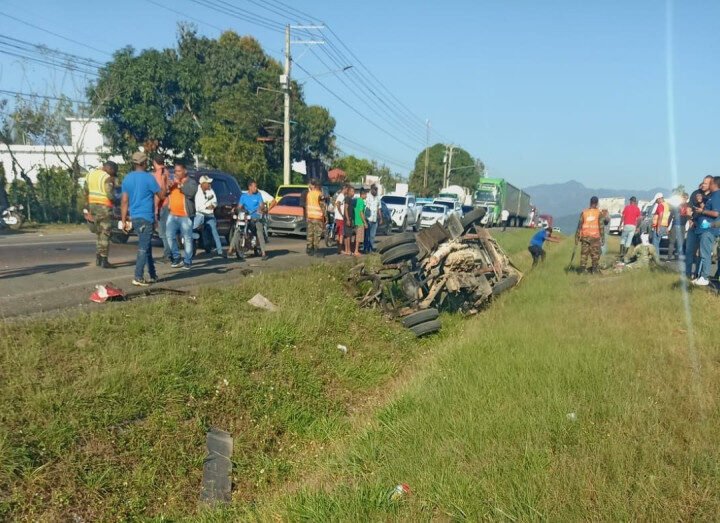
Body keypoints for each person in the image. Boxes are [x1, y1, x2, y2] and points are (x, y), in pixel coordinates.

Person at [121, 152, 163, 286]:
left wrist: (123, 219)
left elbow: (124, 201)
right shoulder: (149, 178)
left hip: (135, 217)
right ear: (144, 163)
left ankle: (152, 274)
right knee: (143, 248)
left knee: (147, 245)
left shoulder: (127, 178)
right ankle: (138, 276)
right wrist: (166, 183)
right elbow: (161, 195)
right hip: (146, 217)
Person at [84, 161, 118, 268]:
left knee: (98, 233)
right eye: (114, 172)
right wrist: (116, 201)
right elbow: (109, 194)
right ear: (110, 169)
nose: (113, 175)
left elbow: (85, 191)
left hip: (92, 207)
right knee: (105, 234)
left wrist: (86, 208)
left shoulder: (90, 175)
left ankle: (98, 258)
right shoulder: (107, 177)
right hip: (104, 208)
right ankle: (104, 259)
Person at [165, 160, 198, 270]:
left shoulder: (191, 182)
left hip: (185, 215)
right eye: (175, 171)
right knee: (169, 236)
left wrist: (179, 185)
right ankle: (176, 257)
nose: (176, 173)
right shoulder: (172, 182)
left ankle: (187, 261)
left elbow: (191, 193)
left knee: (187, 238)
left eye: (179, 171)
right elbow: (165, 194)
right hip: (172, 214)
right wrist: (168, 187)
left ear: (185, 171)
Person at [692, 176, 720, 286]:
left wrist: (702, 211)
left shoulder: (717, 196)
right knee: (702, 253)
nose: (709, 185)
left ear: (715, 184)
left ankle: (704, 277)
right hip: (704, 229)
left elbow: (716, 213)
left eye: (710, 183)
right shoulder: (712, 196)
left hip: (709, 230)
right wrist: (701, 204)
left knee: (705, 254)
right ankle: (701, 276)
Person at [684, 176, 712, 278]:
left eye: (706, 183)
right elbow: (689, 208)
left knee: (701, 254)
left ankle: (698, 275)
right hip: (693, 226)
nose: (703, 185)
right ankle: (687, 274)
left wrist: (700, 202)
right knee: (689, 251)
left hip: (705, 228)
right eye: (703, 183)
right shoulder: (695, 193)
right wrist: (689, 218)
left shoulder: (712, 196)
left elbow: (708, 212)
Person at [235, 179, 268, 261]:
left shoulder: (258, 195)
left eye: (256, 186)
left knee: (259, 231)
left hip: (256, 217)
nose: (256, 188)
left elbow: (261, 205)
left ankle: (263, 253)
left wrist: (260, 209)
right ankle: (233, 248)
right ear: (249, 187)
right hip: (247, 217)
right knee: (237, 229)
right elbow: (239, 206)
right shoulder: (243, 196)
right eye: (254, 186)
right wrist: (237, 210)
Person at [194, 175, 224, 257]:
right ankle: (192, 250)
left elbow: (215, 201)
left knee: (214, 232)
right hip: (200, 215)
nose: (209, 184)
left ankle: (220, 251)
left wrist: (213, 206)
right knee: (193, 230)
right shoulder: (197, 193)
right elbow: (198, 208)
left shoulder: (211, 190)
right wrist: (207, 207)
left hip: (210, 215)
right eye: (208, 183)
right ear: (203, 184)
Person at [152, 153, 172, 262]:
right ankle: (171, 253)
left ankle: (167, 254)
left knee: (163, 232)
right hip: (168, 204)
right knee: (168, 231)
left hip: (162, 205)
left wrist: (155, 208)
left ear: (154, 162)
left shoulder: (158, 174)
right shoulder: (166, 172)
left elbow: (158, 191)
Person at [575, 196, 604, 273]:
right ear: (597, 203)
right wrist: (603, 238)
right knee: (595, 255)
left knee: (584, 254)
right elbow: (601, 226)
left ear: (590, 202)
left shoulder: (584, 212)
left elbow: (579, 225)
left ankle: (582, 270)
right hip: (595, 237)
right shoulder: (599, 213)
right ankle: (594, 270)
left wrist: (577, 237)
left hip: (585, 237)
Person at [303, 178, 326, 257]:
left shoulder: (309, 194)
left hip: (310, 216)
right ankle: (316, 250)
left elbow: (306, 205)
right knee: (317, 234)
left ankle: (309, 249)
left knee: (310, 233)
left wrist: (307, 216)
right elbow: (323, 207)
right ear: (318, 186)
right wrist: (325, 218)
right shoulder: (320, 194)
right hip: (317, 217)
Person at [651, 193, 670, 261]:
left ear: (659, 199)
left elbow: (661, 215)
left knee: (655, 244)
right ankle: (656, 259)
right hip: (664, 226)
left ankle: (656, 260)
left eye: (656, 200)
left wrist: (658, 227)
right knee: (657, 243)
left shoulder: (660, 205)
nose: (656, 202)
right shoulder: (666, 205)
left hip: (659, 226)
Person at [364, 185, 382, 252]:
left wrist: (380, 218)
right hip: (368, 219)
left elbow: (379, 208)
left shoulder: (378, 198)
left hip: (375, 219)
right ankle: (365, 248)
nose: (375, 191)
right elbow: (364, 208)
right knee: (367, 235)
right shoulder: (367, 197)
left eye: (376, 189)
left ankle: (370, 249)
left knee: (372, 236)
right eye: (374, 189)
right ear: (371, 189)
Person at [354, 188, 368, 256]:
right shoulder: (361, 201)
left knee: (357, 236)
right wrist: (365, 222)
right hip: (360, 221)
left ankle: (355, 250)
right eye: (365, 194)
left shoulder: (357, 200)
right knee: (359, 237)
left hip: (356, 221)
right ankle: (356, 251)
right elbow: (361, 212)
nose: (366, 196)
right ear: (362, 194)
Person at [333, 185, 346, 254]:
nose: (347, 191)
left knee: (339, 234)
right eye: (347, 189)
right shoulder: (341, 196)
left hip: (338, 217)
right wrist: (342, 214)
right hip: (340, 218)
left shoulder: (340, 196)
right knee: (341, 234)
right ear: (344, 189)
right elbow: (338, 204)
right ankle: (340, 249)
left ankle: (339, 249)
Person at [344, 186, 356, 255]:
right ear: (348, 192)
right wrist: (348, 219)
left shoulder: (350, 199)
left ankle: (347, 250)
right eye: (352, 191)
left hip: (350, 219)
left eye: (353, 192)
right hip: (348, 219)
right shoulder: (347, 199)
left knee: (347, 235)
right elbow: (346, 209)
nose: (353, 193)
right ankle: (348, 250)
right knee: (348, 236)